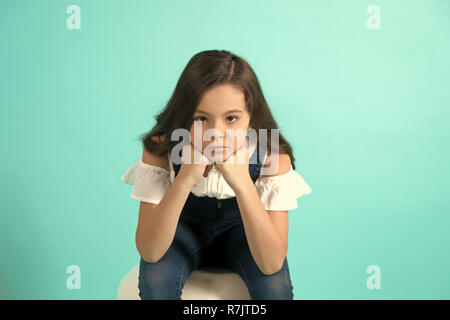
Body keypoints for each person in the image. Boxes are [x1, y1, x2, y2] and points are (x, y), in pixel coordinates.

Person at [121, 49, 312, 300]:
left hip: (243, 231)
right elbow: (150, 250)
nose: (216, 133)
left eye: (231, 118)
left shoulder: (272, 156)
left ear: (252, 118)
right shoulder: (161, 148)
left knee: (275, 288)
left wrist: (243, 183)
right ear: (183, 114)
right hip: (182, 229)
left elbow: (271, 263)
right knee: (156, 280)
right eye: (201, 118)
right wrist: (184, 180)